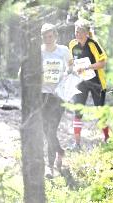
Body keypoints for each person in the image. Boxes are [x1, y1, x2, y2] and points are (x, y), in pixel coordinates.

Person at [69, 19, 109, 149]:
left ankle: (107, 139)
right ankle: (77, 144)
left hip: (97, 83)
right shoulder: (72, 44)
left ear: (87, 32)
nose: (78, 34)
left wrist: (86, 67)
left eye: (80, 32)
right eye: (76, 31)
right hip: (80, 83)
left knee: (100, 111)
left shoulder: (93, 44)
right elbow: (71, 62)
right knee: (78, 112)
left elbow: (102, 63)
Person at [40, 23, 72, 178]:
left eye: (50, 36)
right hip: (42, 95)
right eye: (45, 36)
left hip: (59, 96)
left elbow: (71, 67)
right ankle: (59, 151)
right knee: (46, 130)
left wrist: (68, 74)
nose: (48, 39)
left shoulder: (64, 51)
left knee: (51, 130)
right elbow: (28, 70)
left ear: (55, 36)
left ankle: (49, 167)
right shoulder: (39, 52)